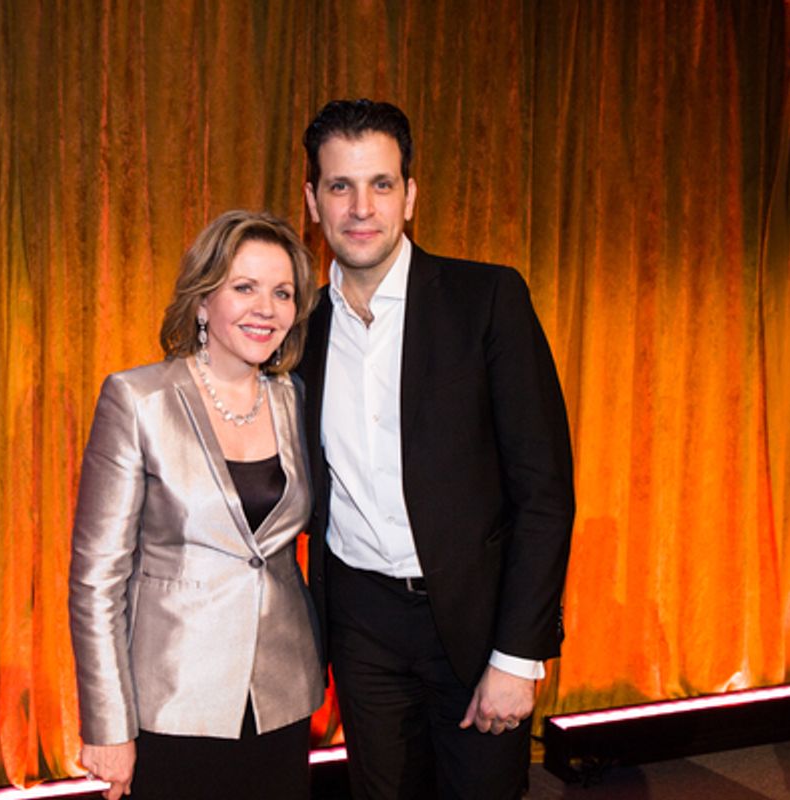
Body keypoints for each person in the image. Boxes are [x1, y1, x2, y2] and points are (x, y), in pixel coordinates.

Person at [297, 100, 575, 799]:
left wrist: (519, 655)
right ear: (312, 200)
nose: (361, 208)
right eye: (340, 186)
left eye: (381, 184)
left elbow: (544, 493)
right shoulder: (300, 329)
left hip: (477, 628)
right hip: (362, 627)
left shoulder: (486, 299)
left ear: (411, 196)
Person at [68, 210, 324, 800]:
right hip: (173, 700)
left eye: (282, 293)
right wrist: (107, 724)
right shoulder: (139, 399)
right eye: (245, 287)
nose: (266, 308)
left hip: (281, 696)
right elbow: (96, 579)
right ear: (204, 300)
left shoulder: (295, 398)